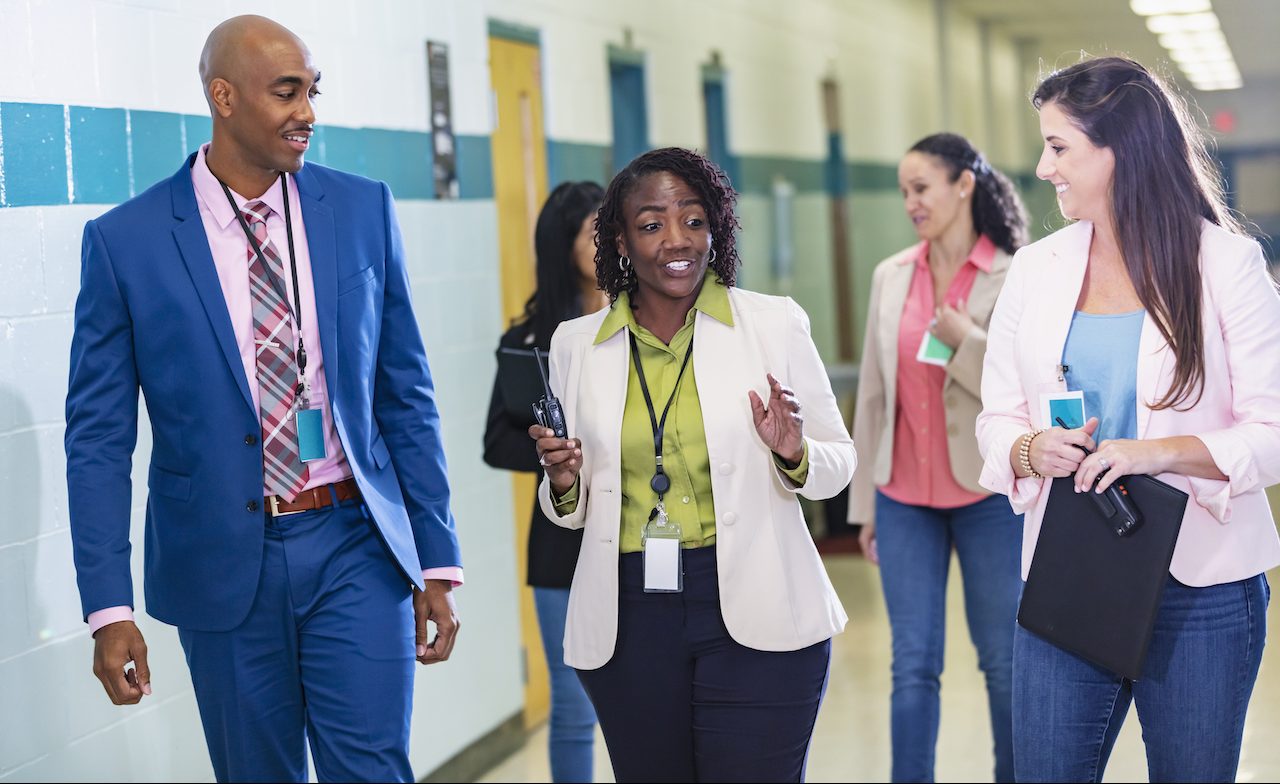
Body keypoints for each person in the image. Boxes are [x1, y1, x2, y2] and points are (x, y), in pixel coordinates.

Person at [64, 15, 462, 783]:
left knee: (374, 768)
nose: (307, 111)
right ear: (223, 97)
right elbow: (97, 440)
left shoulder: (360, 208)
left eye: (313, 90)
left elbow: (404, 391)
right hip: (221, 560)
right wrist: (109, 610)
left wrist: (437, 557)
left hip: (355, 540)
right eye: (287, 92)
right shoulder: (128, 241)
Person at [977, 56, 1280, 783]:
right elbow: (996, 418)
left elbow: (1272, 436)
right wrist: (1029, 449)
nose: (1045, 168)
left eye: (1060, 147)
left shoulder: (1226, 265)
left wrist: (1157, 453)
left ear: (1123, 149)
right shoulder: (1036, 269)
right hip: (1071, 572)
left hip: (1201, 587)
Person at [527, 147, 856, 783]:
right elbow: (569, 511)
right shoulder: (576, 345)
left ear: (717, 228)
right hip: (631, 616)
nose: (676, 241)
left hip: (759, 605)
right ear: (620, 240)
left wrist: (793, 450)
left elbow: (837, 463)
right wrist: (563, 483)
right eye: (651, 225)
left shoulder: (772, 324)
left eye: (694, 220)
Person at [848, 133, 1028, 783]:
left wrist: (964, 340)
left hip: (986, 498)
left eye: (920, 188)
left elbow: (1023, 392)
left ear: (964, 185)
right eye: (903, 192)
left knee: (1004, 661)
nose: (910, 203)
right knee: (912, 664)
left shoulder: (1016, 274)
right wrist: (865, 505)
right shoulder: (891, 276)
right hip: (902, 498)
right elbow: (873, 394)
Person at [483, 180, 606, 782]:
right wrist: (553, 453)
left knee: (654, 695)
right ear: (564, 247)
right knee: (574, 701)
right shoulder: (530, 341)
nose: (610, 240)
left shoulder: (645, 323)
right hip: (560, 541)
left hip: (640, 531)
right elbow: (495, 442)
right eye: (593, 231)